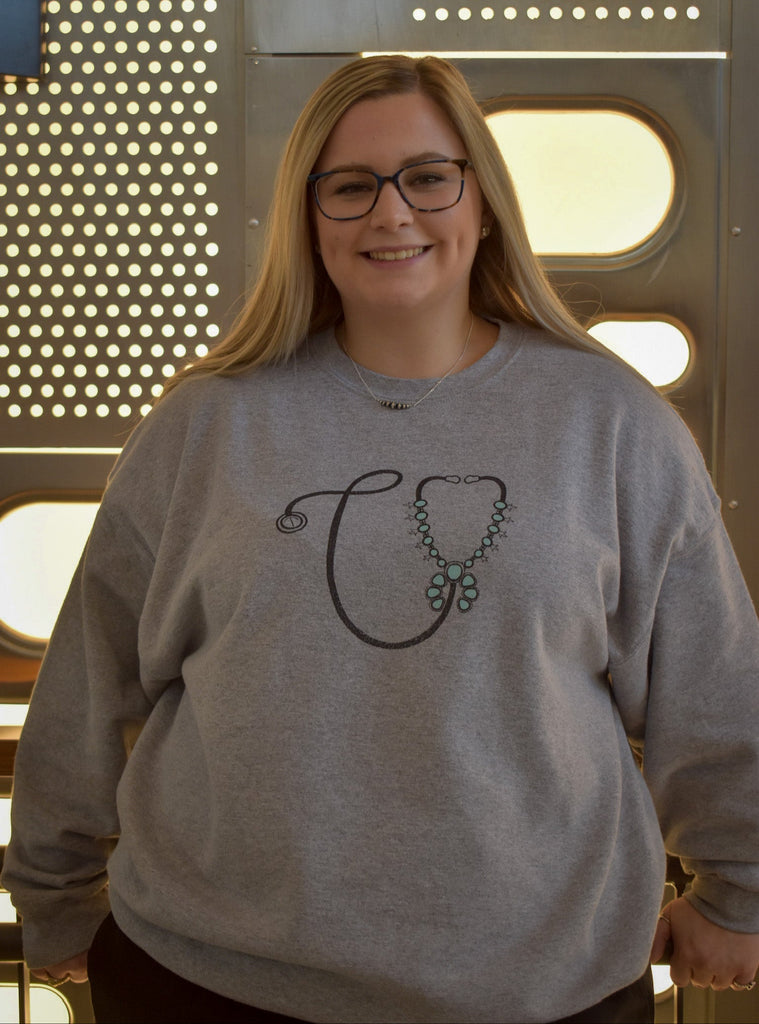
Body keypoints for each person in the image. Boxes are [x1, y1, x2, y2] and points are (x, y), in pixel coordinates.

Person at [3, 54, 758, 1024]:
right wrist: (54, 888)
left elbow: (711, 676)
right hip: (210, 978)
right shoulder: (206, 424)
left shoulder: (611, 422)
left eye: (428, 177)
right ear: (308, 216)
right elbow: (90, 674)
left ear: (482, 201)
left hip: (536, 991)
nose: (391, 213)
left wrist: (738, 886)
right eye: (350, 186)